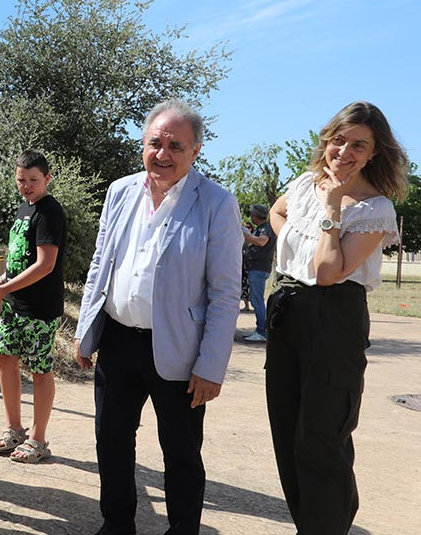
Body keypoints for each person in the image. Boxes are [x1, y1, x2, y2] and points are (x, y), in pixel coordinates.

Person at [74, 99, 242, 535]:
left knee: (181, 451)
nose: (162, 154)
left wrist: (210, 367)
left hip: (179, 351)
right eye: (155, 143)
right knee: (111, 442)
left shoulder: (217, 203)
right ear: (143, 144)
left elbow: (225, 293)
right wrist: (85, 330)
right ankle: (117, 525)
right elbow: (100, 263)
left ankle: (182, 529)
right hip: (116, 340)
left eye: (175, 146)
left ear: (196, 151)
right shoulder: (120, 191)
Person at [265, 101, 407, 535]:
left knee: (322, 437)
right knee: (287, 432)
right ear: (326, 140)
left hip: (335, 316)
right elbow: (278, 212)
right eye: (338, 140)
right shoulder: (306, 182)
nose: (344, 151)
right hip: (288, 307)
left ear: (374, 152)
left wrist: (331, 207)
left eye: (359, 145)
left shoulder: (375, 206)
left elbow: (328, 274)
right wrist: (296, 248)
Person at [0, 149, 66, 465]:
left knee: (40, 369)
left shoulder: (50, 212)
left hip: (40, 308)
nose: (26, 185)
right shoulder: (23, 209)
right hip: (14, 304)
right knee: (5, 359)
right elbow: (20, 261)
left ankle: (38, 437)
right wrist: (3, 284)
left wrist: (5, 287)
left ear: (46, 178)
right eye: (21, 180)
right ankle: (14, 428)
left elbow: (45, 265)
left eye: (33, 180)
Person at [241, 204, 276, 342]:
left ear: (255, 216)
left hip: (259, 268)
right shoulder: (262, 228)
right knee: (257, 300)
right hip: (256, 268)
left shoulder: (266, 229)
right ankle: (261, 329)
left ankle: (261, 331)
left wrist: (244, 235)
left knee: (257, 300)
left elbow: (262, 242)